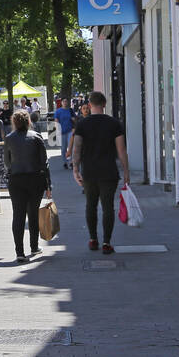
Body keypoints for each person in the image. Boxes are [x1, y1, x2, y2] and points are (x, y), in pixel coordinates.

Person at [70, 91, 130, 255]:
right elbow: (121, 150)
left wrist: (76, 169)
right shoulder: (114, 124)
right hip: (108, 172)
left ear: (89, 105)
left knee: (91, 205)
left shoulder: (82, 124)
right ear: (104, 104)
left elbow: (77, 148)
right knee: (108, 207)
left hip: (89, 171)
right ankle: (106, 242)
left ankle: (92, 239)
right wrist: (126, 171)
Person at [3, 109, 52, 263]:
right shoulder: (36, 137)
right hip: (35, 179)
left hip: (16, 180)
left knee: (18, 215)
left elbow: (7, 162)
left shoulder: (9, 138)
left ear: (14, 122)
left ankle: (19, 252)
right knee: (33, 213)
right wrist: (48, 185)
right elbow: (44, 163)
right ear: (28, 121)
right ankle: (34, 246)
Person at [54, 99, 75, 169]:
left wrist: (73, 119)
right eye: (64, 101)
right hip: (62, 132)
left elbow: (74, 119)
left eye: (66, 101)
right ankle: (65, 162)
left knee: (70, 147)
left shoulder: (70, 110)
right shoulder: (58, 111)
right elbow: (56, 121)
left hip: (70, 131)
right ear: (61, 103)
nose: (65, 103)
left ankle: (71, 162)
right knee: (63, 148)